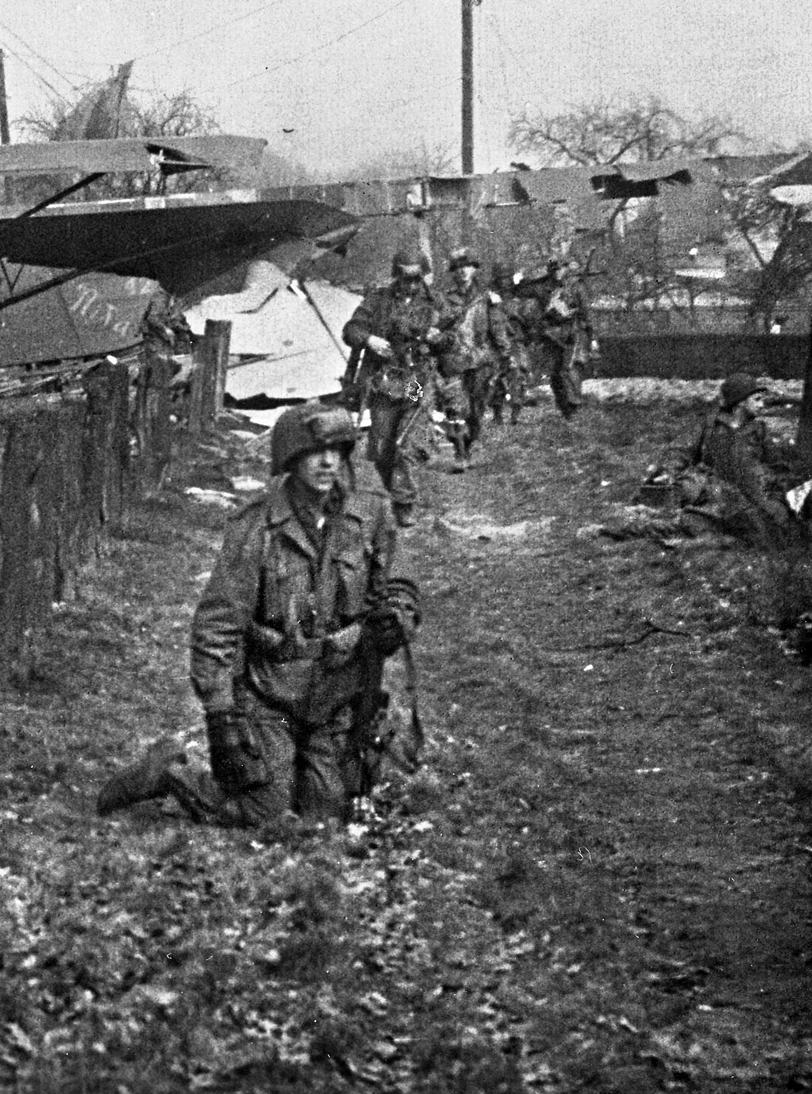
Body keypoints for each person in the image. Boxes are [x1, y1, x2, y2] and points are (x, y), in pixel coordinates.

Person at [96, 402, 420, 825]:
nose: (327, 462)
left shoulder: (370, 516)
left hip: (337, 698)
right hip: (270, 698)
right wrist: (220, 716)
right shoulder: (258, 526)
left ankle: (298, 772)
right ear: (291, 458)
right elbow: (218, 627)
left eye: (336, 451)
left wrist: (396, 616)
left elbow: (400, 584)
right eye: (314, 452)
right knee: (265, 812)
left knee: (325, 814)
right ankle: (171, 771)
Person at [342, 245, 452, 526]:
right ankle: (390, 493)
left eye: (416, 278)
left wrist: (437, 339)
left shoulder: (436, 303)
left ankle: (404, 502)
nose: (411, 284)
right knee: (381, 447)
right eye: (406, 278)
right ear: (396, 276)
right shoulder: (378, 300)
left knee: (406, 440)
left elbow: (452, 340)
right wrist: (369, 340)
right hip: (386, 381)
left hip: (416, 380)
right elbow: (351, 330)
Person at [685, 373, 796, 547]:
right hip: (716, 496)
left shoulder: (759, 430)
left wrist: (778, 498)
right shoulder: (709, 426)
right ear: (741, 402)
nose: (761, 404)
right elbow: (681, 451)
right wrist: (668, 472)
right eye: (756, 399)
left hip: (754, 496)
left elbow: (777, 466)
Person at [436, 247, 511, 469]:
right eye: (458, 268)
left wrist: (505, 353)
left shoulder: (487, 298)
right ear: (453, 272)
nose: (463, 271)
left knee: (476, 411)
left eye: (467, 267)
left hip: (480, 360)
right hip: (453, 360)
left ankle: (467, 445)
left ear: (474, 269)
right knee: (455, 407)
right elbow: (435, 326)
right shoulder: (443, 299)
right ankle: (459, 452)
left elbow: (497, 328)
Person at [518, 257, 594, 418]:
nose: (558, 272)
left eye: (561, 268)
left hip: (572, 332)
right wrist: (522, 279)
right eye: (554, 269)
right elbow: (521, 290)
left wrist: (591, 336)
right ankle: (564, 407)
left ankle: (573, 404)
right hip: (551, 334)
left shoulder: (576, 286)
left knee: (570, 369)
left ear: (566, 269)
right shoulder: (544, 287)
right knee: (554, 373)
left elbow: (587, 312)